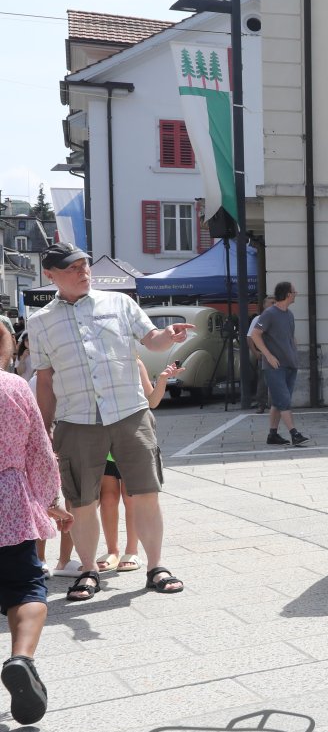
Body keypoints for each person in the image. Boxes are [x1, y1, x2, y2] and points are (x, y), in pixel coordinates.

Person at [31, 242, 192, 601]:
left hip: (130, 413)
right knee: (82, 500)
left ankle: (156, 567)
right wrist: (44, 430)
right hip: (76, 421)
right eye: (72, 268)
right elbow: (44, 378)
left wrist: (168, 336)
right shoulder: (40, 321)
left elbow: (152, 340)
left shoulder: (119, 302)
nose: (83, 271)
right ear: (51, 275)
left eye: (84, 264)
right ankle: (88, 570)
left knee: (146, 493)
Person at [0, 339, 75, 725]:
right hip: (9, 501)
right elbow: (39, 451)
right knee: (26, 586)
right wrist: (51, 499)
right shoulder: (13, 387)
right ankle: (21, 658)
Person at [95, 358, 177, 576]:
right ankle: (112, 550)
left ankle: (132, 550)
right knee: (108, 497)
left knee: (131, 497)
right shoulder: (95, 359)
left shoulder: (135, 362)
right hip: (101, 435)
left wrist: (162, 379)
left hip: (130, 437)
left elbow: (152, 401)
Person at [251, 281, 310, 447]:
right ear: (288, 294)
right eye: (294, 291)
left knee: (279, 401)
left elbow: (290, 337)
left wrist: (294, 352)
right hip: (274, 366)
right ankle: (294, 434)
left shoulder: (289, 314)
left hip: (290, 364)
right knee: (284, 400)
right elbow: (255, 334)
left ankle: (273, 435)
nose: (296, 294)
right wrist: (268, 356)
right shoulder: (269, 313)